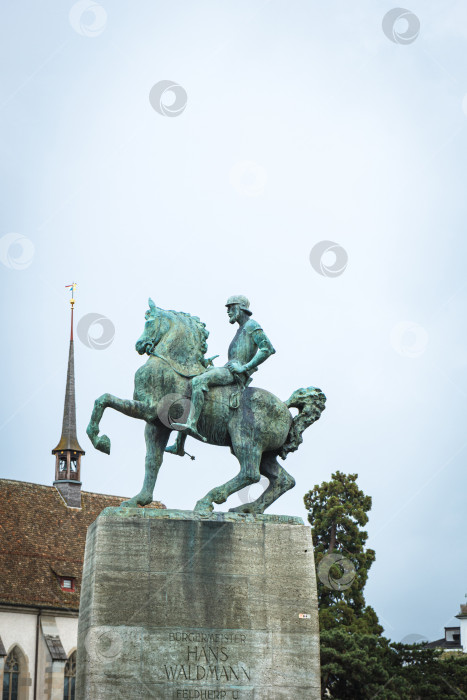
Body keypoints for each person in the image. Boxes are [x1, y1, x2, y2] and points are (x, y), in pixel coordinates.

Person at [169, 295, 275, 442]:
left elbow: (267, 349)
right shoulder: (241, 329)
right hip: (229, 368)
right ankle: (179, 444)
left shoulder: (251, 326)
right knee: (191, 381)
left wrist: (244, 367)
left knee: (198, 382)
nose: (228, 312)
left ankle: (192, 424)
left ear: (240, 308)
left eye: (231, 308)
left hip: (234, 373)